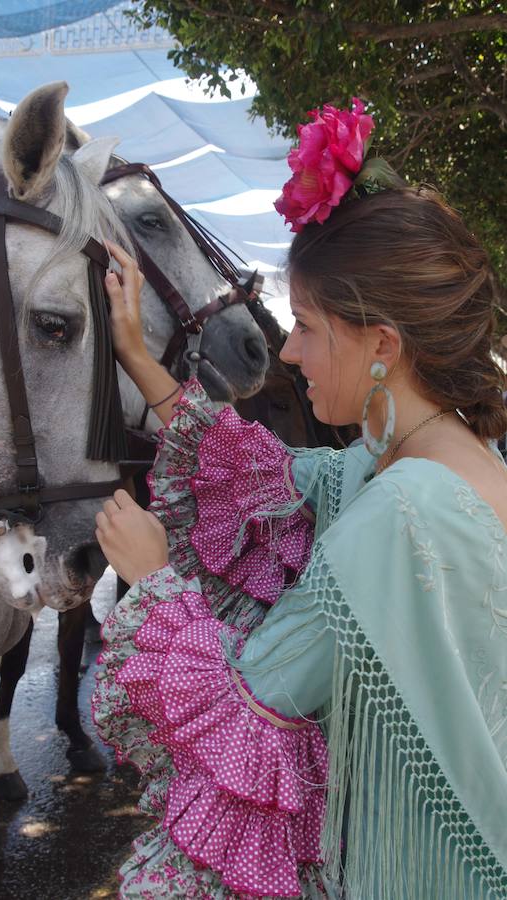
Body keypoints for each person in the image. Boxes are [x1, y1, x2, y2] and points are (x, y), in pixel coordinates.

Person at [91, 100, 507, 899]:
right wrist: (141, 360)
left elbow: (248, 709)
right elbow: (259, 473)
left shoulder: (401, 511)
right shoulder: (440, 455)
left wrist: (153, 583)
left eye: (309, 326)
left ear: (381, 343)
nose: (287, 349)